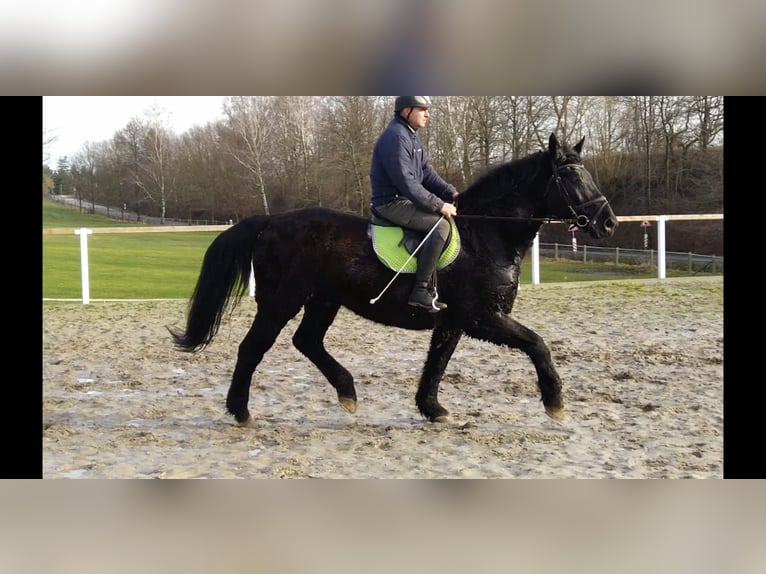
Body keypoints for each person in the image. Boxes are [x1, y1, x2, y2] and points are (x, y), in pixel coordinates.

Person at [370, 96, 458, 312]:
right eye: (422, 109)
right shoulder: (396, 137)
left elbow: (426, 173)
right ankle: (420, 291)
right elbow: (406, 182)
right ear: (406, 111)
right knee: (441, 225)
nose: (428, 114)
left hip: (405, 199)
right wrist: (439, 205)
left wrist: (451, 192)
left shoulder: (410, 136)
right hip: (391, 203)